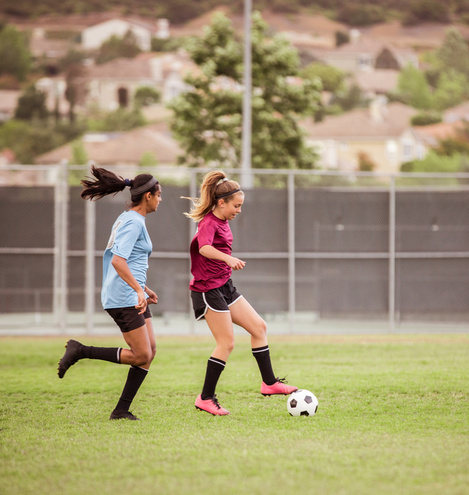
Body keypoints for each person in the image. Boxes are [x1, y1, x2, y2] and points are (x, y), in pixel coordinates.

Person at [183, 171, 297, 416]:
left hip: (224, 286)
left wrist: (226, 264)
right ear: (221, 202)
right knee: (226, 343)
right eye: (236, 206)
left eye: (241, 206)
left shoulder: (223, 222)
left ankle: (269, 383)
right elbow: (204, 248)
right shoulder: (208, 222)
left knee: (259, 327)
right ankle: (205, 398)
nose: (239, 210)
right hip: (207, 289)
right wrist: (228, 258)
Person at [57, 166, 162, 421]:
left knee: (150, 350)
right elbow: (118, 261)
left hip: (133, 294)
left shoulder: (130, 218)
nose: (161, 199)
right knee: (141, 354)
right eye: (159, 194)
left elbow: (129, 260)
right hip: (124, 297)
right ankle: (80, 350)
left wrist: (144, 289)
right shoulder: (133, 222)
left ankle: (121, 410)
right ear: (148, 195)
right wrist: (138, 290)